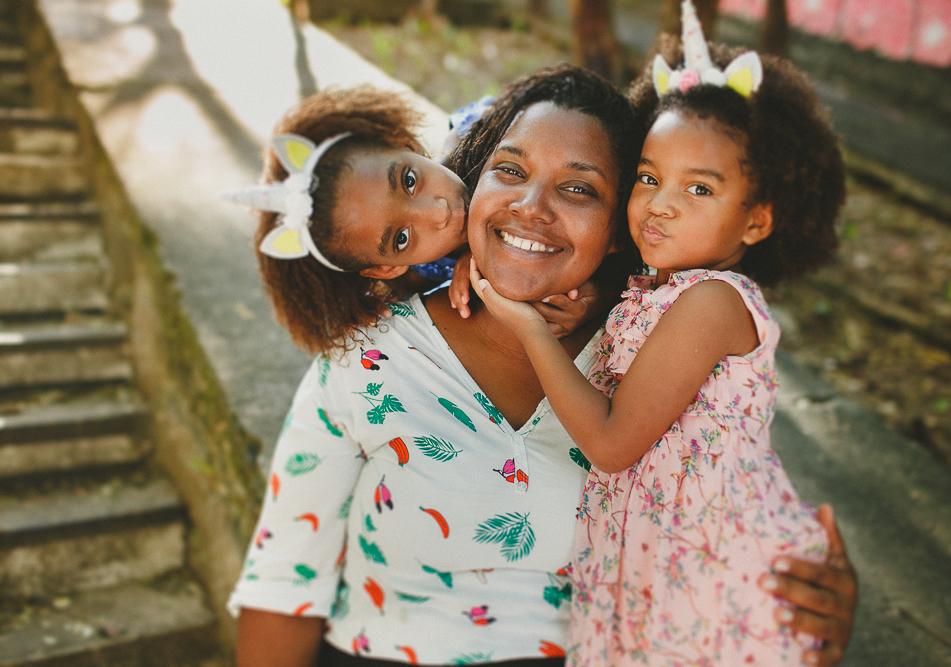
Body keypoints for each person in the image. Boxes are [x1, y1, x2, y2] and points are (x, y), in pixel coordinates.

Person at [229, 64, 857, 667]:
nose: (532, 205)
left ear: (623, 228)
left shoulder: (652, 345)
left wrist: (803, 597)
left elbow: (728, 497)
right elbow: (284, 583)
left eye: (579, 188)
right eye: (510, 171)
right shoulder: (366, 363)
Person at [469, 6, 847, 665]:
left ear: (756, 221)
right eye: (648, 177)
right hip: (657, 573)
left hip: (716, 587)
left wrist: (529, 327)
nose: (661, 203)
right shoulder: (660, 290)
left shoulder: (710, 301)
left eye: (699, 188)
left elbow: (613, 441)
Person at [223, 85, 599, 357]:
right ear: (385, 269)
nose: (438, 212)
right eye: (402, 238)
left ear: (402, 142)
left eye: (408, 180)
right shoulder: (430, 292)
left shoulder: (490, 133)